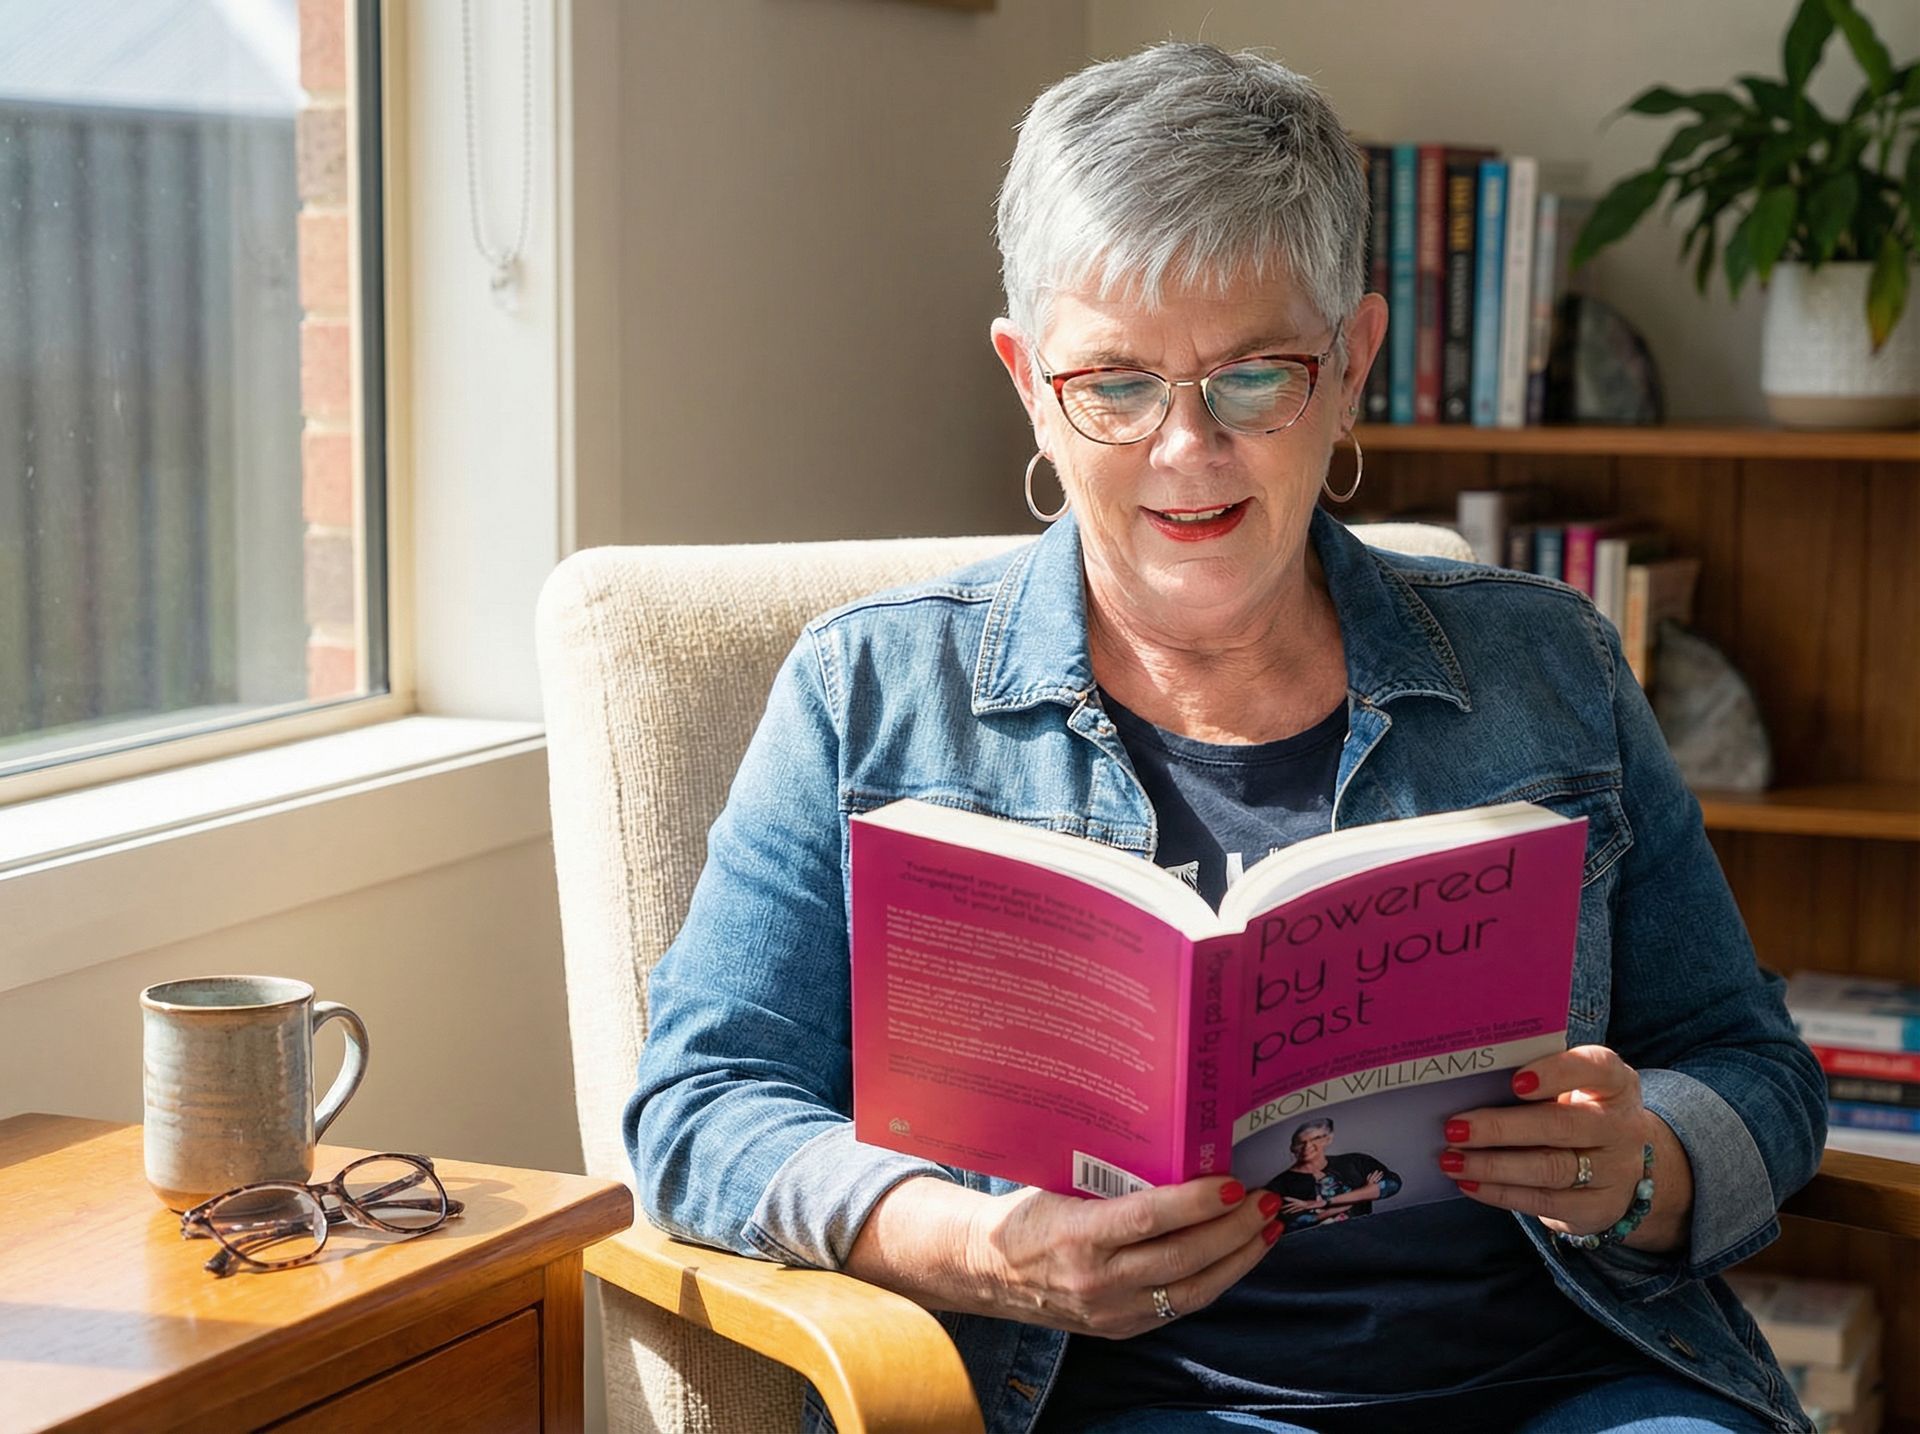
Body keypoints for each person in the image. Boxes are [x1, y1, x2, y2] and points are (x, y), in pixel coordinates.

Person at [627, 42, 1826, 1434]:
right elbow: (698, 1107)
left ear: (1354, 363)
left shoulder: (1546, 661)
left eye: (1256, 378)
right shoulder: (871, 692)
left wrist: (1647, 1161)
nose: (1185, 450)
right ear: (1028, 378)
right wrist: (974, 1249)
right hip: (1147, 1403)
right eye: (1115, 384)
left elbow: (1757, 1066)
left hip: (1572, 1384)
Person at [1267, 1119, 1400, 1233]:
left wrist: (1323, 1203)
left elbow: (1392, 1184)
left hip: (1363, 1237)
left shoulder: (1354, 1162)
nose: (1307, 1146)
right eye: (1300, 1142)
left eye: (1316, 1138)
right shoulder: (1280, 1184)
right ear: (1293, 1147)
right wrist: (1361, 1194)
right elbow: (1287, 1224)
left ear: (1328, 1139)